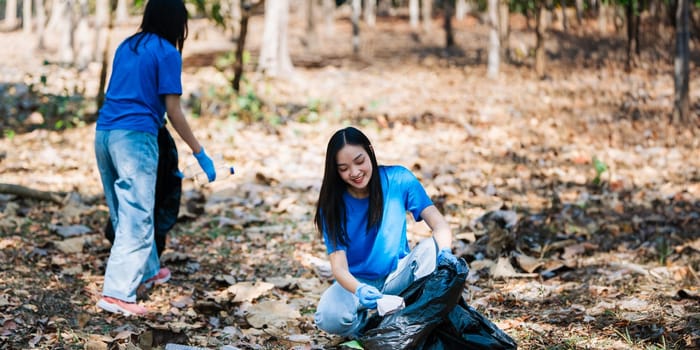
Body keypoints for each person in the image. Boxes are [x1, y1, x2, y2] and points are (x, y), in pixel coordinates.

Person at [94, 0, 217, 317]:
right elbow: (173, 110)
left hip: (105, 134)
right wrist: (200, 152)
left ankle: (147, 271)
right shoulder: (167, 52)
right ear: (177, 22)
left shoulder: (128, 45)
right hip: (135, 138)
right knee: (137, 215)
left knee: (125, 209)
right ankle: (118, 293)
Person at [313, 126, 459, 337]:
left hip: (399, 275)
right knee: (329, 316)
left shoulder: (398, 179)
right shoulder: (332, 205)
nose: (354, 172)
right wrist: (360, 290)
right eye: (343, 168)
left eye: (359, 161)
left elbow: (439, 225)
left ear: (370, 151)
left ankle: (413, 318)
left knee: (433, 248)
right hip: (357, 284)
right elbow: (339, 268)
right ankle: (370, 331)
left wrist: (445, 252)